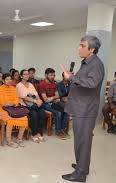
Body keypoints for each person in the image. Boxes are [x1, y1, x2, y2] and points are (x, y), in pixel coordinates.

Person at [61, 36, 104, 182]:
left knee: (83, 141)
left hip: (85, 110)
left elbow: (92, 83)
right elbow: (83, 81)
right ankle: (82, 166)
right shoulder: (87, 63)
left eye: (82, 45)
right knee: (80, 139)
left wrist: (72, 78)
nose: (78, 48)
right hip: (80, 107)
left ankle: (80, 174)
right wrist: (72, 77)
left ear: (91, 49)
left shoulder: (96, 64)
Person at [0, 73, 28, 148]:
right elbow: (3, 103)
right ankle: (9, 141)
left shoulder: (13, 88)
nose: (9, 81)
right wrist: (12, 103)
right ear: (3, 81)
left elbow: (16, 100)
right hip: (2, 109)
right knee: (10, 120)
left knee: (24, 119)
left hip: (13, 109)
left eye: (10, 79)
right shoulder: (0, 89)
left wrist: (12, 103)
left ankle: (19, 139)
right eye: (7, 79)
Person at [39, 68, 69, 140]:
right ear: (46, 75)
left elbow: (58, 95)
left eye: (54, 75)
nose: (53, 77)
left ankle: (62, 129)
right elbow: (45, 100)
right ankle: (58, 131)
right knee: (58, 113)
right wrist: (54, 98)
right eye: (51, 75)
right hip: (44, 104)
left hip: (53, 102)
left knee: (67, 110)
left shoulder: (54, 84)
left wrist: (52, 98)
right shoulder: (42, 84)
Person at [16, 70, 46, 143]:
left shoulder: (30, 84)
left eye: (28, 74)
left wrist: (39, 100)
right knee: (34, 114)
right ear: (21, 76)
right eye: (25, 74)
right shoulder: (19, 85)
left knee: (42, 113)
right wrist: (36, 101)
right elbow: (24, 97)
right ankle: (34, 134)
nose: (27, 75)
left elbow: (36, 94)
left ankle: (39, 132)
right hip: (24, 105)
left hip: (34, 104)